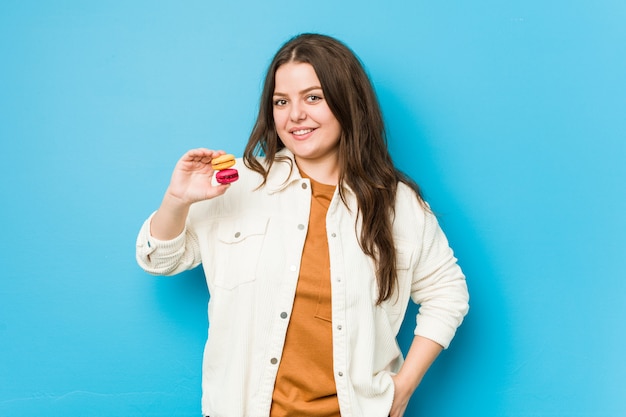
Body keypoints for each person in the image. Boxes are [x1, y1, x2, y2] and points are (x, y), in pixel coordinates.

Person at [136, 33, 469, 417]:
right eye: (282, 102)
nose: (295, 115)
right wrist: (177, 201)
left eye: (313, 97)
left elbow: (448, 293)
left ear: (348, 102)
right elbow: (160, 261)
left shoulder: (396, 204)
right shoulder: (236, 183)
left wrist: (404, 386)